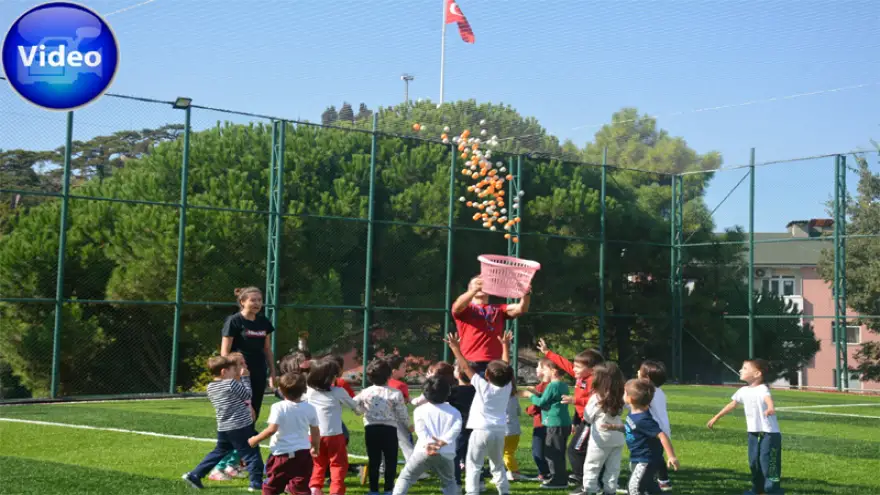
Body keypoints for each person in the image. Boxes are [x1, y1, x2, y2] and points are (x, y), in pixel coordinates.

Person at [215, 287, 278, 479]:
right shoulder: (234, 321)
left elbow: (267, 349)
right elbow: (224, 352)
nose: (257, 303)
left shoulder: (263, 322)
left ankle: (235, 462)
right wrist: (229, 375)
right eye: (253, 300)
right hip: (238, 375)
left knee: (252, 417)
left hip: (257, 373)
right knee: (239, 420)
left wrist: (272, 372)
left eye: (259, 300)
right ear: (242, 302)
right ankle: (222, 466)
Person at [445, 331, 514, 495]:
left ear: (487, 375)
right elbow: (506, 366)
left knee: (473, 465)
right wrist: (505, 346)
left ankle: (472, 492)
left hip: (481, 430)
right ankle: (504, 491)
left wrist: (455, 348)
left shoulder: (483, 386)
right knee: (497, 465)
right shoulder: (507, 386)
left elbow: (465, 367)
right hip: (499, 431)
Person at [182, 356, 264, 491]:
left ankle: (195, 474)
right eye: (232, 370)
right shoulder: (230, 383)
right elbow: (247, 395)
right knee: (251, 453)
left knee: (219, 451)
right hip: (240, 426)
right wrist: (245, 378)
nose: (235, 372)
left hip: (224, 427)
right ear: (224, 372)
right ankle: (256, 483)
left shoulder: (210, 387)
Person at [707, 359, 784, 495]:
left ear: (757, 374)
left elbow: (768, 399)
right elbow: (732, 404)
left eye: (745, 368)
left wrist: (770, 407)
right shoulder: (743, 391)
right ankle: (757, 489)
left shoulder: (762, 389)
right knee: (754, 462)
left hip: (770, 434)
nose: (740, 370)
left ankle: (773, 491)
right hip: (753, 433)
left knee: (768, 463)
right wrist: (716, 417)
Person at [537, 338, 605, 485]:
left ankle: (583, 478)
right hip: (583, 419)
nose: (573, 369)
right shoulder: (581, 377)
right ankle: (595, 478)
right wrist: (548, 352)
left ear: (592, 369)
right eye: (575, 366)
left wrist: (575, 400)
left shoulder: (594, 381)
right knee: (588, 449)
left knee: (575, 450)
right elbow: (565, 364)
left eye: (578, 367)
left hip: (592, 420)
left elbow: (597, 401)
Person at [248, 372, 320, 495]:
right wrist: (315, 447)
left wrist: (255, 439)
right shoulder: (310, 408)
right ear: (304, 390)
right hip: (303, 454)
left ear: (281, 391)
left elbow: (271, 430)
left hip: (282, 454)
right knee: (301, 487)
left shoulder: (278, 407)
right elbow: (315, 431)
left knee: (272, 486)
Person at [605, 379, 679, 495]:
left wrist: (671, 456)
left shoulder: (643, 419)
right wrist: (615, 427)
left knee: (634, 489)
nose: (622, 395)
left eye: (624, 392)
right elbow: (633, 428)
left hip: (646, 459)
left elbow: (662, 436)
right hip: (639, 457)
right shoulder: (634, 413)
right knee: (649, 487)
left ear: (630, 399)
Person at [392, 375, 463, 495]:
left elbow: (421, 430)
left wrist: (429, 444)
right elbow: (456, 429)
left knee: (406, 477)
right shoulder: (454, 412)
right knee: (449, 482)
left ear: (425, 394)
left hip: (423, 451)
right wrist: (442, 442)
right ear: (448, 392)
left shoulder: (419, 410)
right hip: (446, 453)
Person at [451, 276, 531, 376]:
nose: (480, 286)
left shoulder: (499, 309)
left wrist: (526, 294)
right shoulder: (465, 309)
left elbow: (521, 309)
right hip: (470, 362)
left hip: (495, 364)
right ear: (469, 289)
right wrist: (473, 291)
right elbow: (457, 307)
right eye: (477, 284)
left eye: (483, 284)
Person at [353, 358, 411, 495]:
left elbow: (354, 406)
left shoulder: (365, 392)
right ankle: (388, 489)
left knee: (374, 460)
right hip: (389, 430)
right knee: (391, 460)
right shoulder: (395, 393)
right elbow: (402, 413)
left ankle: (373, 490)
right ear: (389, 375)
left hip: (371, 429)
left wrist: (362, 410)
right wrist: (408, 425)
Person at [305, 358, 362, 495]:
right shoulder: (338, 391)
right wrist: (361, 401)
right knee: (338, 464)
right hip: (334, 436)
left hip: (313, 435)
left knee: (318, 463)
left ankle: (314, 488)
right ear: (331, 377)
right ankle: (336, 491)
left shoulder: (308, 391)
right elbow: (357, 408)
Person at [572, 362, 626, 495]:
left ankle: (589, 489)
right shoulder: (621, 396)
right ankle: (610, 490)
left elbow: (587, 417)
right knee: (613, 467)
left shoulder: (596, 398)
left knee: (592, 465)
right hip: (618, 437)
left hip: (601, 438)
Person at [521, 358, 571, 489]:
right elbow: (550, 399)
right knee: (559, 452)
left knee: (552, 452)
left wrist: (529, 395)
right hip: (563, 423)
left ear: (553, 371)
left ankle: (558, 480)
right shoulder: (563, 385)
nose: (543, 371)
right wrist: (536, 393)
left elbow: (541, 402)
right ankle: (561, 477)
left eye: (545, 369)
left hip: (554, 423)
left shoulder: (552, 385)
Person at [637, 360, 672, 491]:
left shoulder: (648, 392)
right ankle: (664, 480)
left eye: (640, 371)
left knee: (649, 457)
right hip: (661, 429)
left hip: (653, 431)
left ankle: (648, 481)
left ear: (647, 378)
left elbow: (634, 405)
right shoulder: (659, 392)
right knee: (657, 456)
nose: (637, 372)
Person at [449, 360, 478, 489]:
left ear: (459, 374)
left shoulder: (452, 391)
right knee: (473, 456)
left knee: (455, 455)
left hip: (459, 427)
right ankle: (478, 483)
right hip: (475, 425)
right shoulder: (477, 390)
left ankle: (456, 483)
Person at [526, 358, 552, 482]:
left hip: (541, 423)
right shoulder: (554, 385)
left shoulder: (542, 387)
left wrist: (528, 410)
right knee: (549, 449)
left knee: (538, 450)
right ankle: (550, 472)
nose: (536, 369)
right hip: (551, 423)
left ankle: (544, 473)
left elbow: (536, 406)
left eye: (538, 366)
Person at [503, 383, 524, 481]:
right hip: (515, 430)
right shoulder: (514, 397)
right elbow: (519, 411)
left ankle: (514, 472)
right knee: (509, 452)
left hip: (504, 430)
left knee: (504, 453)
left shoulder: (498, 398)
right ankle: (512, 471)